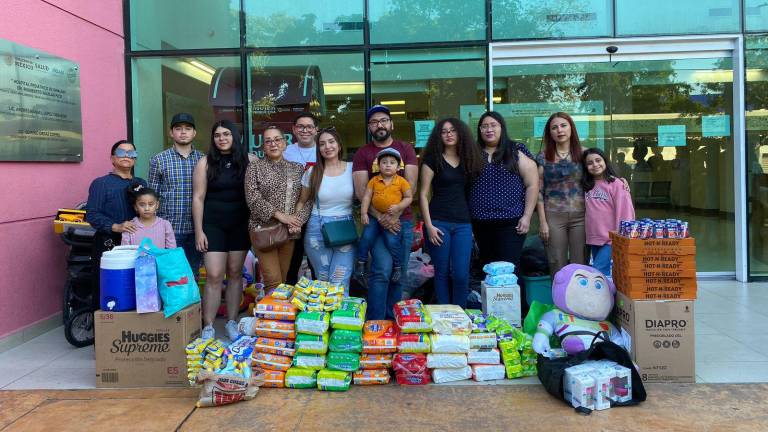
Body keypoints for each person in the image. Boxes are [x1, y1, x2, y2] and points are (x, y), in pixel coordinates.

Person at [352, 105, 418, 320]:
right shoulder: (363, 153)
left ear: (391, 124)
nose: (379, 125)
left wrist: (395, 215)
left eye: (383, 120)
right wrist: (381, 218)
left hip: (402, 222)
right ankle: (377, 323)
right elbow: (362, 191)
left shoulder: (405, 149)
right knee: (381, 272)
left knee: (399, 276)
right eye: (374, 122)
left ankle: (395, 322)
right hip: (376, 223)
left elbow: (411, 186)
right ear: (370, 127)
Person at [193, 120, 254, 341]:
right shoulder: (205, 163)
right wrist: (199, 230)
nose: (222, 138)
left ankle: (231, 321)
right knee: (214, 275)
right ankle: (208, 325)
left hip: (240, 225)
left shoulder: (250, 161)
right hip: (213, 225)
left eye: (226, 134)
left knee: (236, 274)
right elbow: (198, 198)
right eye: (217, 135)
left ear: (234, 136)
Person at [470, 112, 539, 306]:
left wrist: (526, 217)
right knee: (489, 272)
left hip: (511, 223)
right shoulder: (474, 152)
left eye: (493, 125)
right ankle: (494, 314)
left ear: (502, 127)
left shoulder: (515, 150)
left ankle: (519, 315)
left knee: (510, 271)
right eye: (484, 126)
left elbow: (532, 184)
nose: (489, 129)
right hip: (481, 223)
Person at [420, 118, 484, 307]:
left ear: (460, 133)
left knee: (461, 274)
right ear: (438, 136)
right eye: (444, 131)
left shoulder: (468, 159)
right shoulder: (433, 160)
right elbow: (423, 194)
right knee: (442, 272)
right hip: (438, 223)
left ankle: (460, 315)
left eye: (452, 130)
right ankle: (444, 315)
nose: (448, 134)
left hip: (463, 224)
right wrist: (429, 226)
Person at [245, 125, 309, 292]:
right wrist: (280, 216)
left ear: (284, 143)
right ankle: (269, 316)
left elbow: (306, 199)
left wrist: (298, 220)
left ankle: (276, 316)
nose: (273, 144)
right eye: (268, 141)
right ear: (263, 146)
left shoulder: (297, 168)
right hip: (263, 231)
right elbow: (252, 199)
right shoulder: (255, 168)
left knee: (284, 281)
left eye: (277, 140)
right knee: (273, 281)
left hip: (289, 231)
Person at [85, 140, 147, 309]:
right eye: (121, 152)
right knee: (109, 287)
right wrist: (116, 227)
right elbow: (92, 214)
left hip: (137, 244)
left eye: (131, 153)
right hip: (109, 244)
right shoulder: (101, 183)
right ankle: (106, 329)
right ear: (112, 158)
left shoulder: (141, 184)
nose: (127, 156)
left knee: (138, 286)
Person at [295, 127, 356, 293]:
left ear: (339, 145)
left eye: (331, 142)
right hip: (317, 229)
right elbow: (302, 201)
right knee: (322, 278)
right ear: (318, 149)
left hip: (345, 229)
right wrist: (295, 223)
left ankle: (341, 318)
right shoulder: (312, 172)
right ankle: (322, 317)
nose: (327, 147)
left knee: (339, 278)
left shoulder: (352, 168)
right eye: (322, 144)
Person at [147, 113, 203, 274]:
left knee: (193, 273)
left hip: (197, 229)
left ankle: (192, 301)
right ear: (171, 133)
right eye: (178, 129)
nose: (183, 132)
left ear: (194, 133)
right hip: (170, 228)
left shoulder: (203, 159)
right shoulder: (159, 160)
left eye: (188, 128)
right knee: (170, 274)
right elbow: (152, 196)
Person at [536, 112, 587, 276]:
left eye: (563, 125)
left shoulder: (584, 154)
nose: (560, 130)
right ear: (550, 133)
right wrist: (542, 222)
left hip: (581, 216)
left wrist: (620, 180)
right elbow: (538, 190)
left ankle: (580, 302)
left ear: (571, 128)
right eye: (554, 127)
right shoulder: (544, 157)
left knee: (581, 264)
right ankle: (559, 302)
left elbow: (601, 177)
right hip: (553, 217)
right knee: (556, 263)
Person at [356, 148, 414, 284]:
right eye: (384, 162)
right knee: (366, 237)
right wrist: (364, 213)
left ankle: (398, 266)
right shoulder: (374, 180)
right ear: (378, 165)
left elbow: (409, 197)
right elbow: (366, 197)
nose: (388, 165)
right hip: (374, 217)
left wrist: (399, 207)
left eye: (392, 162)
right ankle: (361, 262)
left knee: (393, 242)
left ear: (398, 166)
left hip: (393, 218)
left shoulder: (401, 181)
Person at [582, 148, 636, 276]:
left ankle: (603, 296)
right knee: (603, 274)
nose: (595, 165)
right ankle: (607, 296)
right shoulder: (586, 185)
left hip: (610, 239)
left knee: (597, 272)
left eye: (598, 160)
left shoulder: (616, 184)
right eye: (590, 163)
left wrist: (622, 236)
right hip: (593, 238)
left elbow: (626, 211)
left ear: (605, 161)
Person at [283, 112, 318, 285]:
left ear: (316, 130)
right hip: (292, 213)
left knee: (316, 261)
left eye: (309, 126)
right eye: (301, 126)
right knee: (293, 259)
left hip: (318, 211)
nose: (305, 130)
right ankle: (288, 302)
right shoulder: (286, 152)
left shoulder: (324, 150)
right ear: (294, 130)